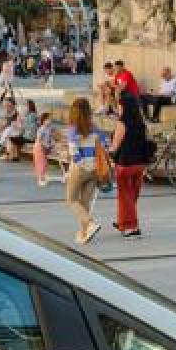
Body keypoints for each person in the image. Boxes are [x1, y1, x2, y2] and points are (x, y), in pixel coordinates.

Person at [65, 97, 106, 245]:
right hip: (95, 169)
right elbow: (104, 146)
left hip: (81, 169)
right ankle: (84, 233)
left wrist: (82, 164)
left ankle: (90, 223)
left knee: (71, 200)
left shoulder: (73, 129)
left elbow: (74, 152)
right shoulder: (95, 128)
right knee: (85, 202)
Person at [110, 94, 150, 238]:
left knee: (125, 195)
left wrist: (107, 151)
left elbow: (115, 146)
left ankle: (132, 227)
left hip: (125, 163)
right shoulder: (141, 122)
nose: (118, 108)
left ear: (124, 106)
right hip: (140, 164)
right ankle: (122, 221)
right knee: (132, 195)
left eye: (119, 105)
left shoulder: (122, 123)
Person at [33, 112, 57, 187]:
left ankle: (43, 177)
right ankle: (40, 179)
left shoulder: (49, 129)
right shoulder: (42, 129)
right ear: (44, 120)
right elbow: (39, 139)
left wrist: (52, 145)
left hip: (45, 147)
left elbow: (51, 138)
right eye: (48, 119)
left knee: (45, 163)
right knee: (41, 163)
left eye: (51, 119)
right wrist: (45, 146)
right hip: (39, 148)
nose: (50, 121)